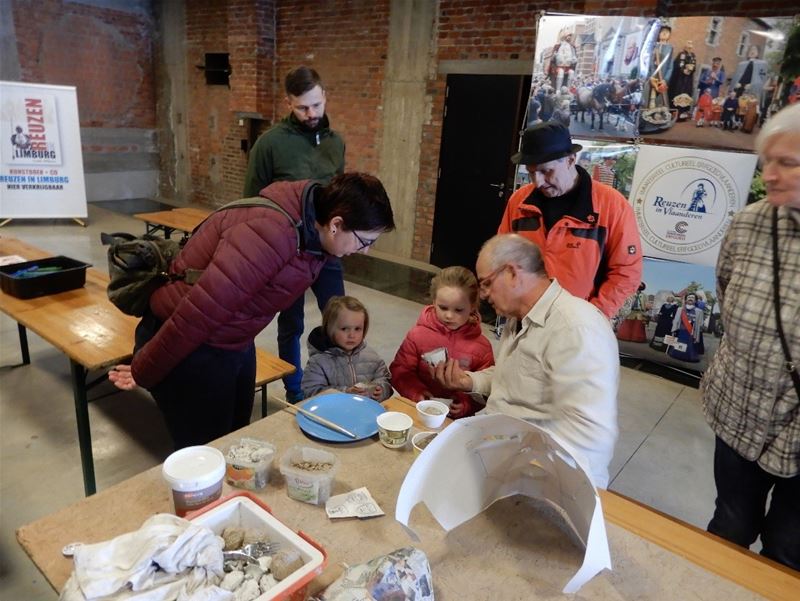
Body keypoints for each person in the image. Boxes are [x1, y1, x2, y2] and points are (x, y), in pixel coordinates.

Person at [108, 173, 395, 449]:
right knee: (206, 451)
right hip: (190, 344)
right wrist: (143, 369)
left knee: (236, 437)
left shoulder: (314, 232)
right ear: (336, 224)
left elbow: (330, 295)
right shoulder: (268, 235)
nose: (365, 250)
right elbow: (195, 317)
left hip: (232, 340)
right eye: (365, 241)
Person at [432, 234, 619, 488]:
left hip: (539, 476)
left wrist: (526, 478)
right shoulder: (517, 318)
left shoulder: (576, 327)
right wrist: (468, 381)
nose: (484, 295)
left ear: (511, 273)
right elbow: (513, 378)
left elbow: (589, 437)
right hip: (500, 451)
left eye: (486, 284)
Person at [701, 102, 800, 571]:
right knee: (730, 526)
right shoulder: (748, 224)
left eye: (788, 162)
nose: (772, 174)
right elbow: (726, 292)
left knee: (788, 548)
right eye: (768, 161)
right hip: (740, 409)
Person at [243, 66, 346, 404]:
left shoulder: (335, 143)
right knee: (292, 322)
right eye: (303, 108)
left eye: (316, 105)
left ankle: (334, 385)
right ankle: (296, 391)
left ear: (324, 96)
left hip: (327, 251)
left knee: (339, 318)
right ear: (288, 102)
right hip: (288, 252)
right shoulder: (269, 144)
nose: (312, 114)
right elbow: (252, 204)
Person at [498, 122, 642, 318]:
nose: (538, 182)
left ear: (570, 159)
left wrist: (593, 316)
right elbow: (502, 255)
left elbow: (626, 272)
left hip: (581, 325)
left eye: (546, 171)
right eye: (531, 172)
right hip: (524, 317)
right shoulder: (519, 201)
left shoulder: (613, 206)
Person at [390, 266, 494, 419]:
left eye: (459, 310)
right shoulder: (417, 335)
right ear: (433, 302)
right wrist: (416, 392)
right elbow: (400, 371)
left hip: (457, 420)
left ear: (472, 307)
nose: (449, 315)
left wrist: (466, 404)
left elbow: (487, 389)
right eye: (443, 307)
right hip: (419, 411)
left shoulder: (482, 347)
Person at [300, 296, 392, 401]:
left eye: (357, 329)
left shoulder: (371, 356)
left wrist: (381, 390)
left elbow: (385, 379)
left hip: (364, 411)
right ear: (329, 329)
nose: (352, 335)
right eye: (344, 329)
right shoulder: (318, 361)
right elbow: (310, 392)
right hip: (332, 413)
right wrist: (345, 392)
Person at [667, 292, 703, 362]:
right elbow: (676, 320)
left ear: (695, 301)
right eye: (689, 297)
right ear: (686, 300)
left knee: (690, 345)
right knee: (679, 343)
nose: (690, 299)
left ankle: (688, 356)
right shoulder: (680, 309)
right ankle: (677, 354)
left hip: (691, 332)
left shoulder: (699, 311)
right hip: (681, 330)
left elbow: (700, 324)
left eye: (692, 298)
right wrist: (674, 329)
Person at [645, 24, 673, 109]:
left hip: (662, 79)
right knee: (647, 100)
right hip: (652, 77)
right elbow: (647, 62)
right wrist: (650, 76)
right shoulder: (653, 46)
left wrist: (665, 80)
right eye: (662, 32)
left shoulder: (670, 48)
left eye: (667, 32)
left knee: (660, 102)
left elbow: (670, 67)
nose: (664, 33)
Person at [669, 40, 696, 120]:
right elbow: (677, 65)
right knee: (678, 93)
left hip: (688, 80)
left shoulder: (693, 56)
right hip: (680, 79)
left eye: (691, 43)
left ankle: (683, 113)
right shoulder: (681, 54)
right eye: (688, 43)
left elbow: (694, 65)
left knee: (686, 94)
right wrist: (683, 70)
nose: (690, 45)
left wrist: (691, 70)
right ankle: (675, 113)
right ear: (685, 45)